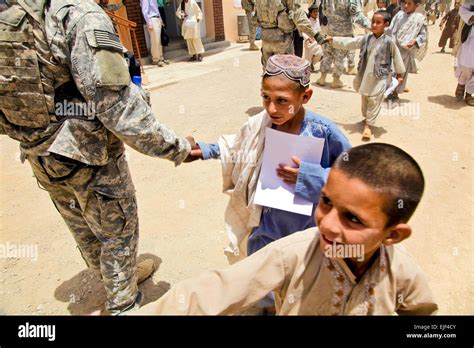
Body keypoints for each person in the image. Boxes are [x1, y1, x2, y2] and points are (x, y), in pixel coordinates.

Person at [0, 0, 194, 315]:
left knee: (83, 227)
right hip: (88, 155)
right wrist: (176, 146)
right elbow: (117, 109)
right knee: (117, 230)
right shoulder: (81, 15)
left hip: (40, 155)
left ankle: (121, 279)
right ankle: (123, 303)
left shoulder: (14, 14)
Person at [134, 143, 438, 316]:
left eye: (353, 219)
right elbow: (212, 291)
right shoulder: (294, 253)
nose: (328, 224)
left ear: (392, 235)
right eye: (326, 202)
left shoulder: (403, 272)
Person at [187, 54, 351, 312]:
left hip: (304, 233)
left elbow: (353, 178)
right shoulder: (260, 124)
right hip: (264, 227)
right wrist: (205, 149)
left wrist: (311, 177)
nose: (272, 109)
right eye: (266, 98)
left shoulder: (323, 132)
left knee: (300, 286)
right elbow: (237, 145)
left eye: (282, 101)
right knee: (261, 279)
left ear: (305, 97)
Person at [326, 10, 406, 140]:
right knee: (365, 99)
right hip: (365, 76)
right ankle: (366, 118)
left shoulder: (389, 42)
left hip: (380, 77)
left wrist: (400, 74)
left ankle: (368, 126)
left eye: (378, 22)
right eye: (373, 22)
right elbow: (350, 43)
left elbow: (397, 58)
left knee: (374, 101)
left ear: (386, 24)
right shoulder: (366, 39)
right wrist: (333, 40)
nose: (374, 25)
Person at [254, 0, 326, 67]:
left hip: (265, 39)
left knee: (268, 69)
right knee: (284, 70)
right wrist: (316, 35)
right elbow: (299, 17)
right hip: (282, 40)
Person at [317, 0, 372, 88]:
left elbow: (324, 10)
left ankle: (322, 77)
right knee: (340, 56)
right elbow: (357, 16)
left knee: (327, 53)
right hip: (344, 31)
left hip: (330, 28)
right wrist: (372, 26)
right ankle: (336, 79)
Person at [386, 0, 428, 100]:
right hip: (394, 47)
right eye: (404, 3)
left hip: (406, 50)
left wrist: (415, 41)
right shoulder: (399, 15)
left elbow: (423, 35)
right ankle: (389, 90)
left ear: (416, 5)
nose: (406, 6)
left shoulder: (420, 19)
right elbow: (391, 29)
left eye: (409, 4)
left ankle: (395, 92)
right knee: (391, 70)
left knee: (401, 72)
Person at [454, 0, 474, 106]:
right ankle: (461, 83)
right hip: (471, 39)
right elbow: (463, 10)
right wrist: (471, 17)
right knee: (467, 66)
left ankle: (469, 93)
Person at [141, 0, 169, 67]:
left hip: (157, 18)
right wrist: (149, 23)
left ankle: (161, 58)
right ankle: (156, 59)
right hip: (152, 19)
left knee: (159, 40)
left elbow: (156, 10)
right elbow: (144, 11)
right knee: (155, 40)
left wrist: (161, 20)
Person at [304, 4, 324, 72]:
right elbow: (303, 31)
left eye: (317, 11)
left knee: (320, 54)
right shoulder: (307, 21)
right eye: (314, 11)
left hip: (317, 41)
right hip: (309, 41)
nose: (316, 13)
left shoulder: (318, 20)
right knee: (308, 59)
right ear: (310, 13)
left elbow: (320, 31)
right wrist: (307, 39)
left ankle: (312, 63)